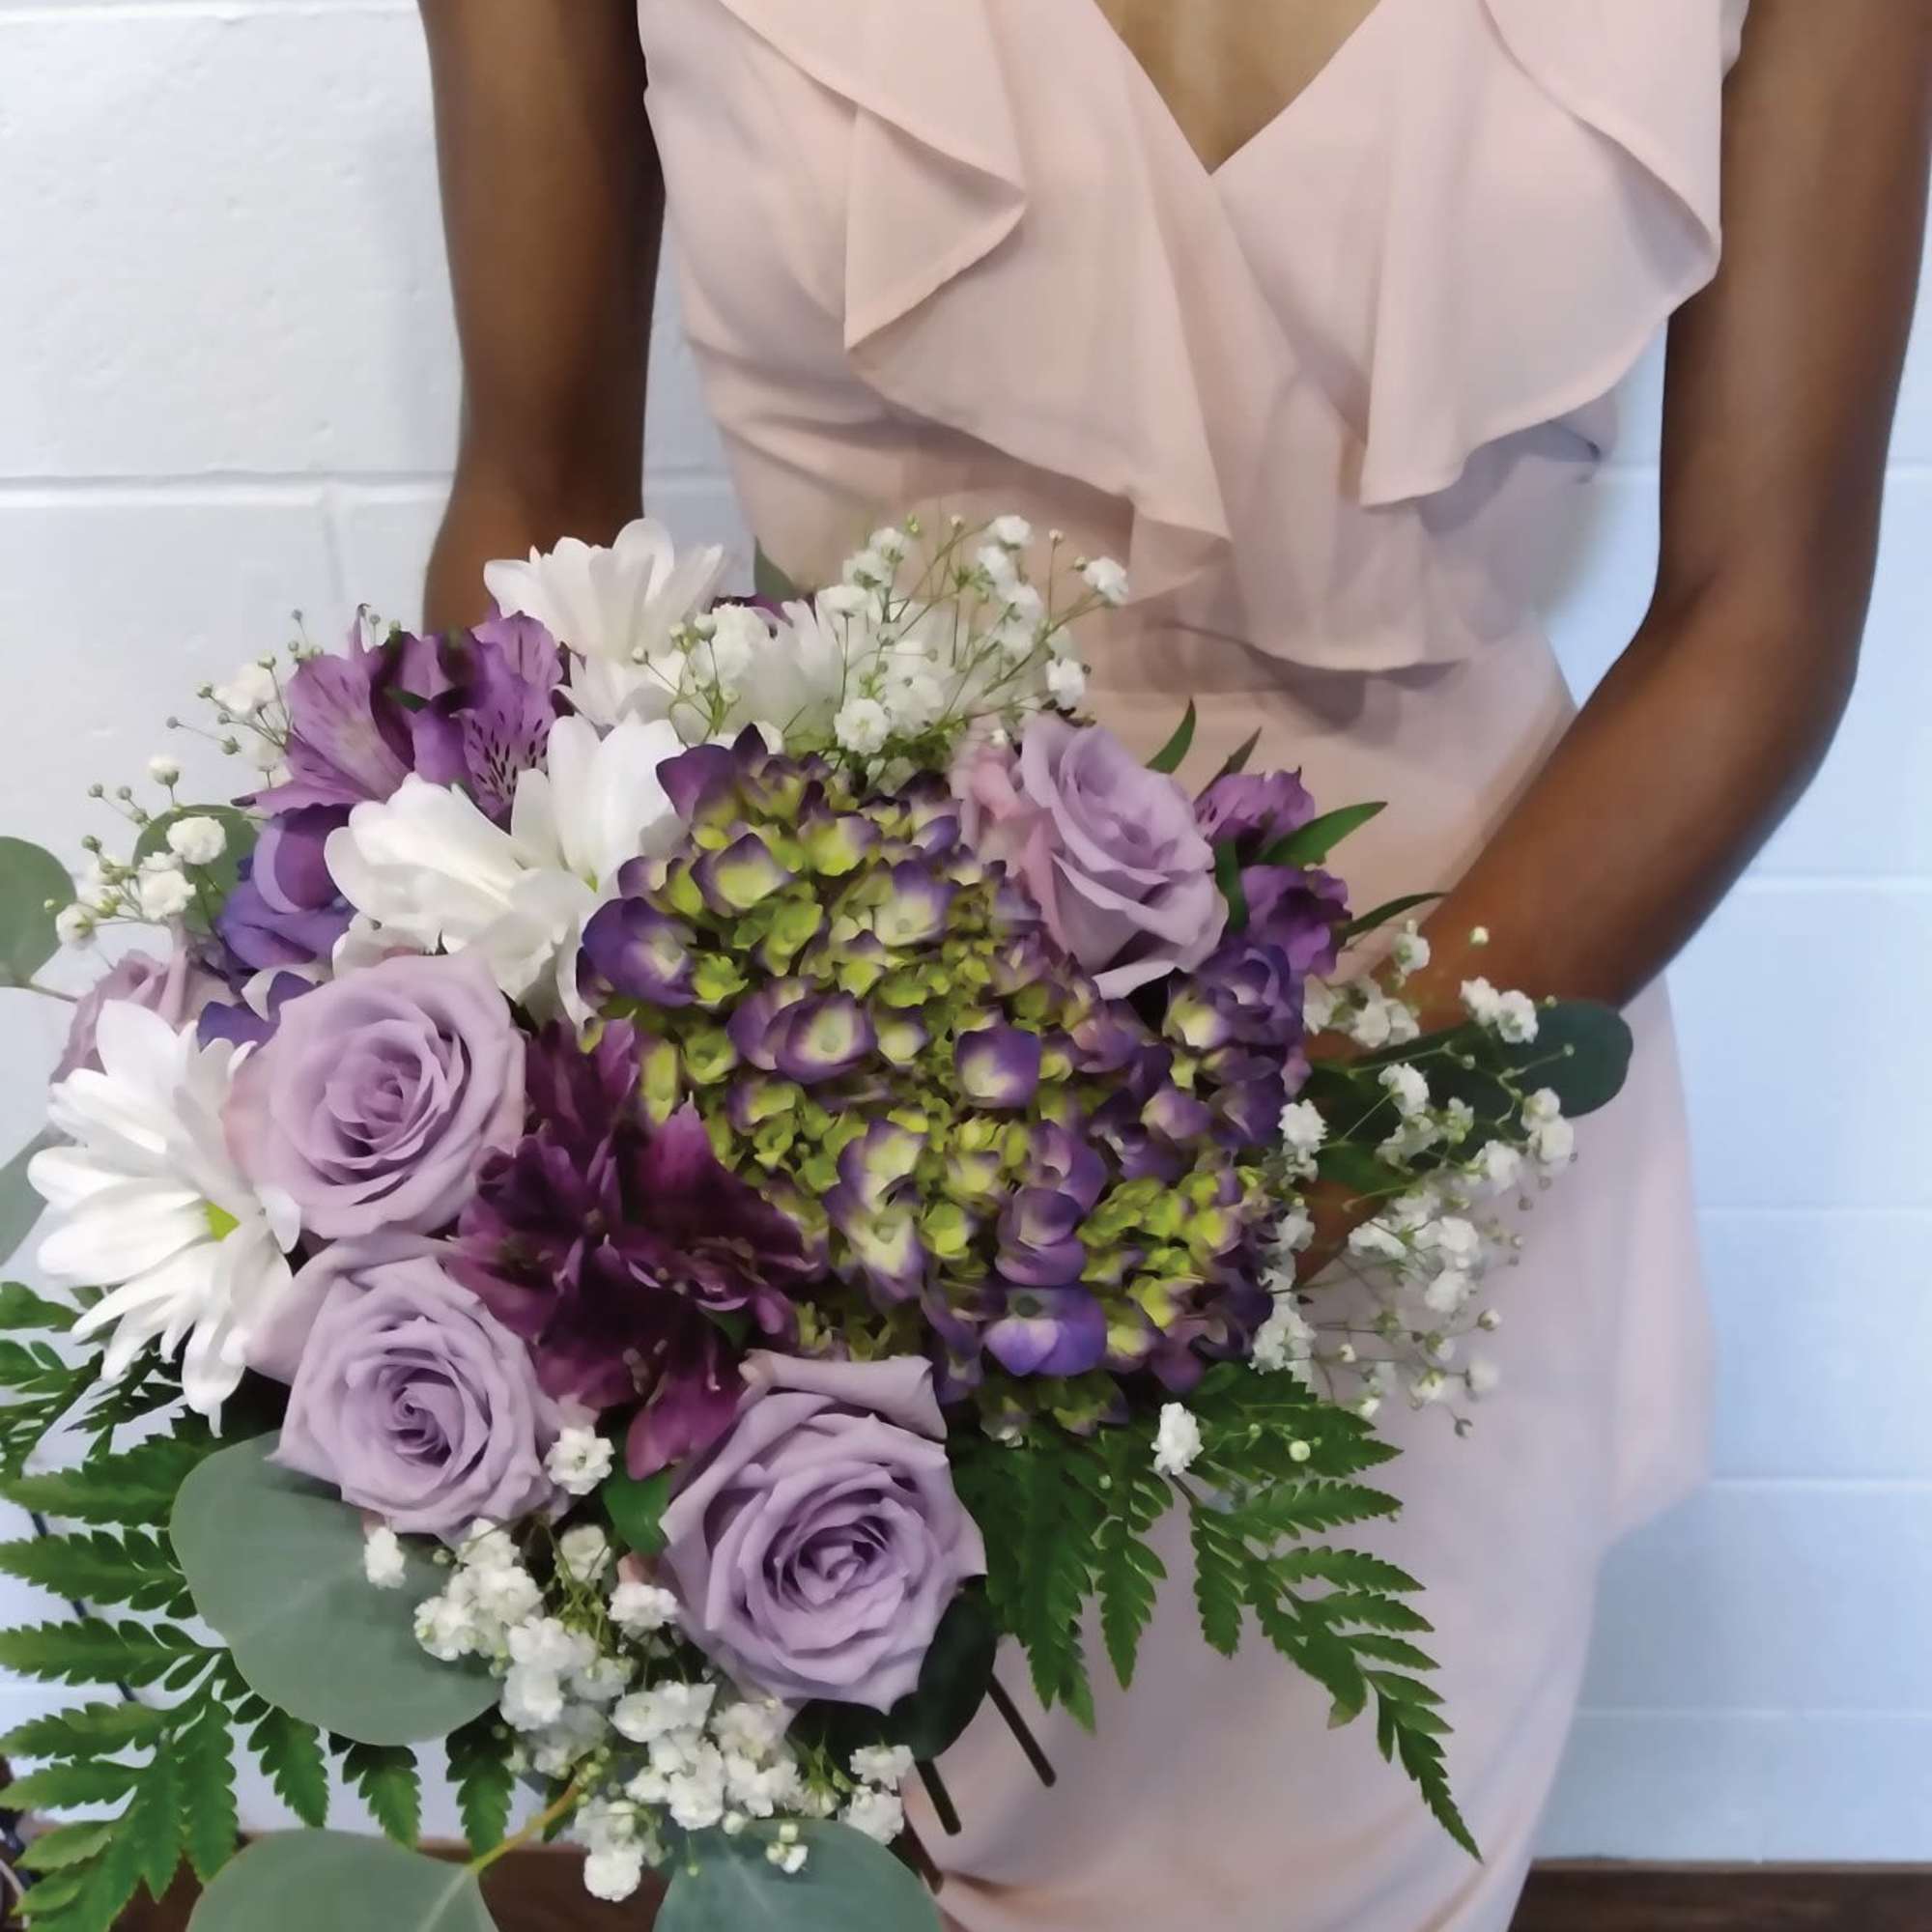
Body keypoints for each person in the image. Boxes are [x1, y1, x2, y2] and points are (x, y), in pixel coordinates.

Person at [415, 4, 1930, 1926]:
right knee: (831, 1851)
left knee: (1353, 1864)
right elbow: (531, 517)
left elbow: (1759, 616)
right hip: (805, 1110)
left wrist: (1284, 1179)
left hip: (1446, 1031)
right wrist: (487, 1105)